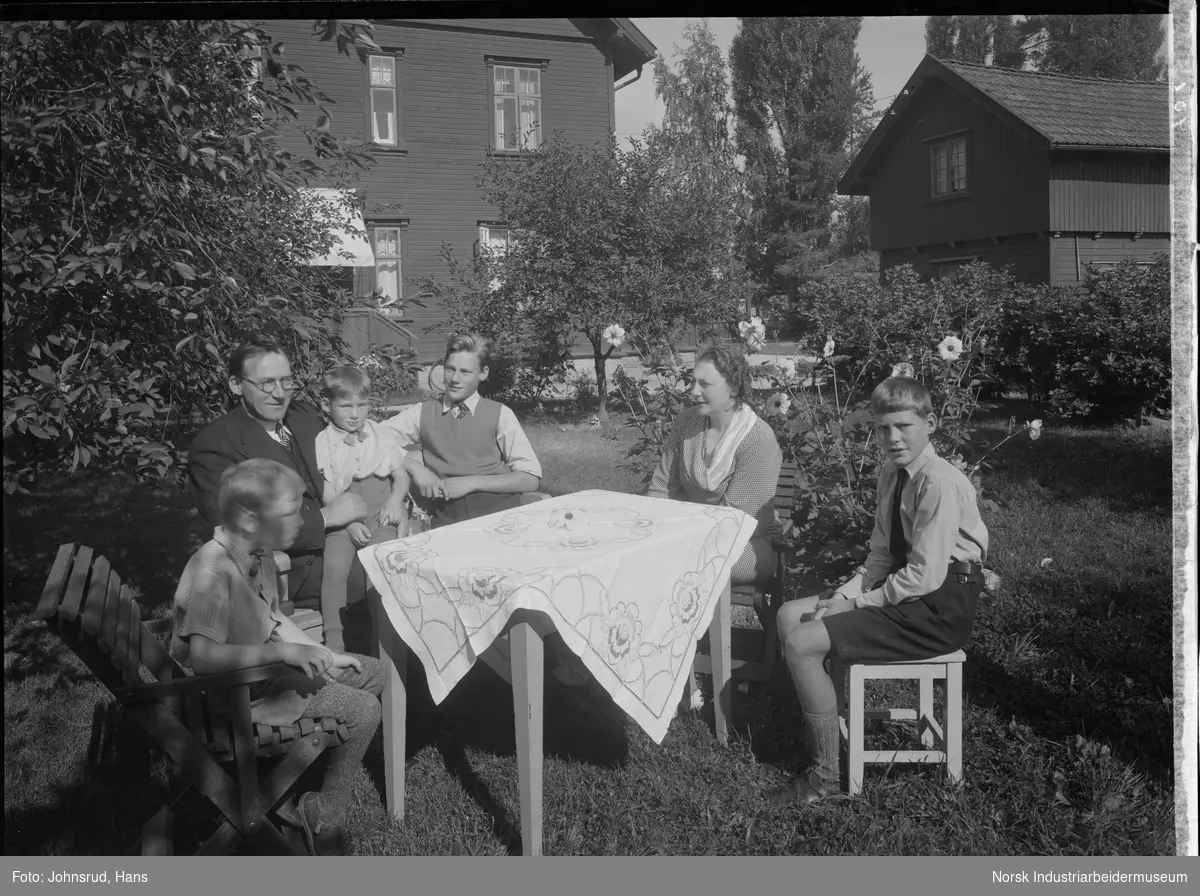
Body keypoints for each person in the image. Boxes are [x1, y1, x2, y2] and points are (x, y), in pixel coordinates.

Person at [767, 375, 988, 806]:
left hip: (940, 606)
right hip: (905, 589)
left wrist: (854, 603)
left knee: (804, 639)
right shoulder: (893, 473)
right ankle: (820, 739)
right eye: (883, 428)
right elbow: (882, 557)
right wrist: (844, 595)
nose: (893, 437)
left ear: (931, 423)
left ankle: (825, 777)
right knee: (790, 615)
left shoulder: (939, 483)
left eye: (904, 426)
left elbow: (925, 577)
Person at [170, 458, 385, 855]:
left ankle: (287, 782)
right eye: (291, 512)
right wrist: (285, 653)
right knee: (366, 709)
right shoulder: (214, 573)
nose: (303, 520)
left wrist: (322, 654)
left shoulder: (258, 554)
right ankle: (323, 816)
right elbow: (203, 658)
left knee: (373, 673)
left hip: (263, 678)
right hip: (237, 698)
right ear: (252, 520)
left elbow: (270, 618)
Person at [187, 338, 370, 628]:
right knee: (385, 582)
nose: (279, 394)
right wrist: (324, 519)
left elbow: (357, 444)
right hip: (290, 573)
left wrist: (410, 467)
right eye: (266, 384)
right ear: (236, 385)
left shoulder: (304, 416)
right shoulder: (216, 447)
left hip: (351, 538)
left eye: (286, 381)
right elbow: (233, 532)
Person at [647, 344, 784, 585]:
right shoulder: (688, 421)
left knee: (695, 563)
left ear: (732, 388)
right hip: (689, 534)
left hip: (747, 544)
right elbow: (661, 488)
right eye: (692, 382)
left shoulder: (757, 439)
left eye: (705, 384)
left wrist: (681, 537)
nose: (693, 392)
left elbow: (740, 522)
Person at [380, 332, 542, 527]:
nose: (455, 379)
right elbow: (371, 439)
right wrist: (415, 468)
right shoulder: (422, 413)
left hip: (499, 513)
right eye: (450, 369)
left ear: (483, 373)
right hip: (448, 517)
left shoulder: (500, 414)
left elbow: (530, 478)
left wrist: (470, 483)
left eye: (465, 372)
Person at [314, 365, 412, 653]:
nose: (355, 414)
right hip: (346, 520)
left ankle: (381, 641)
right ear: (326, 406)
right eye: (345, 406)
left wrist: (396, 501)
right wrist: (346, 524)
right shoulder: (325, 442)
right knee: (333, 567)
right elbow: (329, 492)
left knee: (379, 569)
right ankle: (334, 641)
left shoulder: (378, 436)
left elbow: (401, 475)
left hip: (381, 515)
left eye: (362, 405)